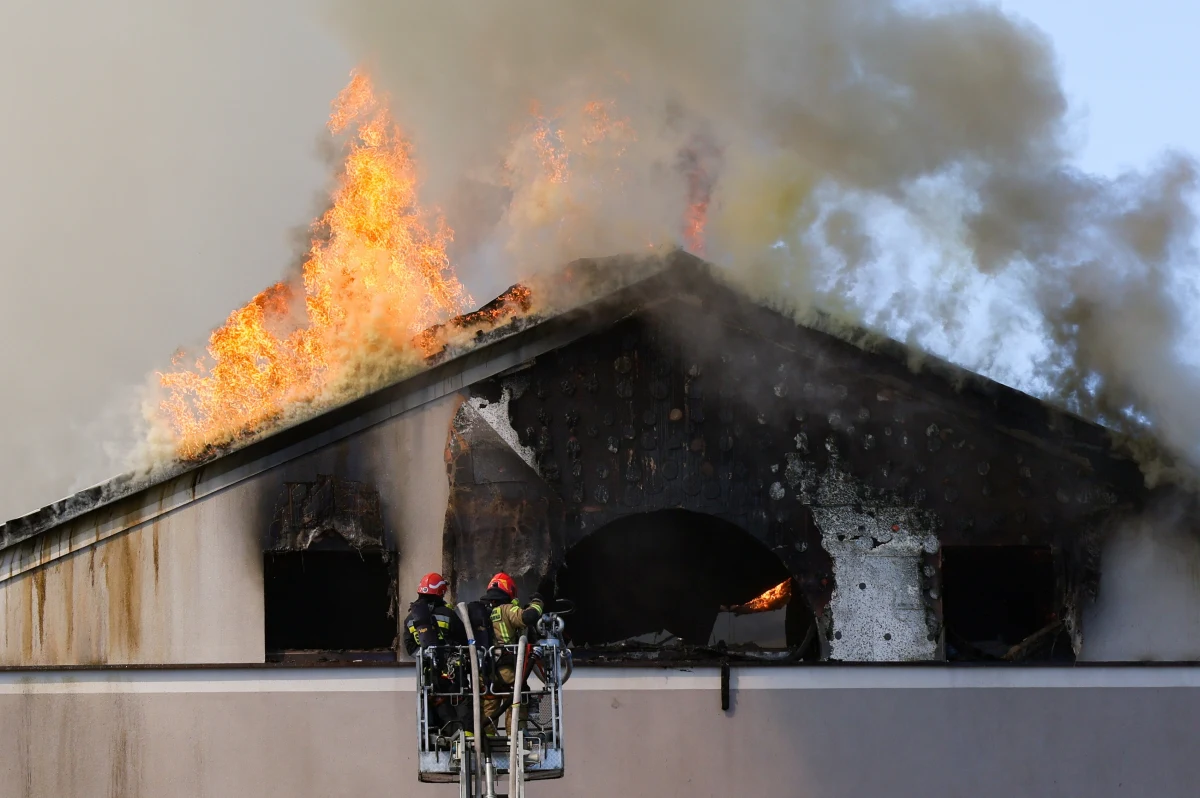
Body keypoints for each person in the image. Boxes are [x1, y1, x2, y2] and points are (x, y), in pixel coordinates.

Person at [478, 572, 544, 734]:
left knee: (489, 712)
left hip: (486, 673)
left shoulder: (482, 613)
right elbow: (528, 617)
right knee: (515, 706)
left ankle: (487, 745)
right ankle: (516, 740)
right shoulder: (507, 609)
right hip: (508, 672)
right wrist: (537, 603)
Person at [403, 572, 468, 730]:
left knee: (433, 710)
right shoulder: (448, 614)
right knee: (460, 709)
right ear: (440, 592)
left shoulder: (410, 619)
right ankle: (459, 738)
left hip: (427, 676)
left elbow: (410, 647)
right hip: (451, 675)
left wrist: (425, 655)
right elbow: (463, 641)